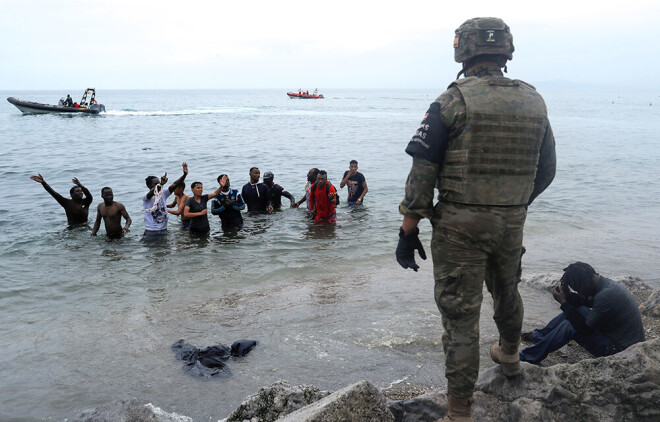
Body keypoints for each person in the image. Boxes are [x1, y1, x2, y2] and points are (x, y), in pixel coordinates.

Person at [396, 17, 556, 421]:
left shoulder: (452, 100)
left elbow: (423, 170)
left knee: (461, 317)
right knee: (507, 289)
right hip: (511, 219)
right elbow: (548, 168)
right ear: (506, 51)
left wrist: (408, 227)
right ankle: (510, 356)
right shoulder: (534, 100)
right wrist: (515, 203)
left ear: (462, 51)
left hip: (460, 225)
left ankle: (459, 412)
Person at [519, 262, 645, 364]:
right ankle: (539, 336)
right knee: (578, 310)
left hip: (621, 351)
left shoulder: (605, 296)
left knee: (570, 326)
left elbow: (585, 329)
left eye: (578, 289)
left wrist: (564, 303)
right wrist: (568, 296)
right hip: (622, 340)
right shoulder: (607, 285)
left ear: (584, 283)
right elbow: (585, 301)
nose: (579, 293)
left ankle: (527, 356)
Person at [142, 162, 188, 234]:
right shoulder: (146, 197)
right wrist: (161, 184)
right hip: (151, 231)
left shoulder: (163, 193)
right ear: (149, 186)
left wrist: (184, 175)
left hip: (164, 230)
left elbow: (175, 184)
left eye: (158, 183)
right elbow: (152, 192)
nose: (158, 185)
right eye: (155, 184)